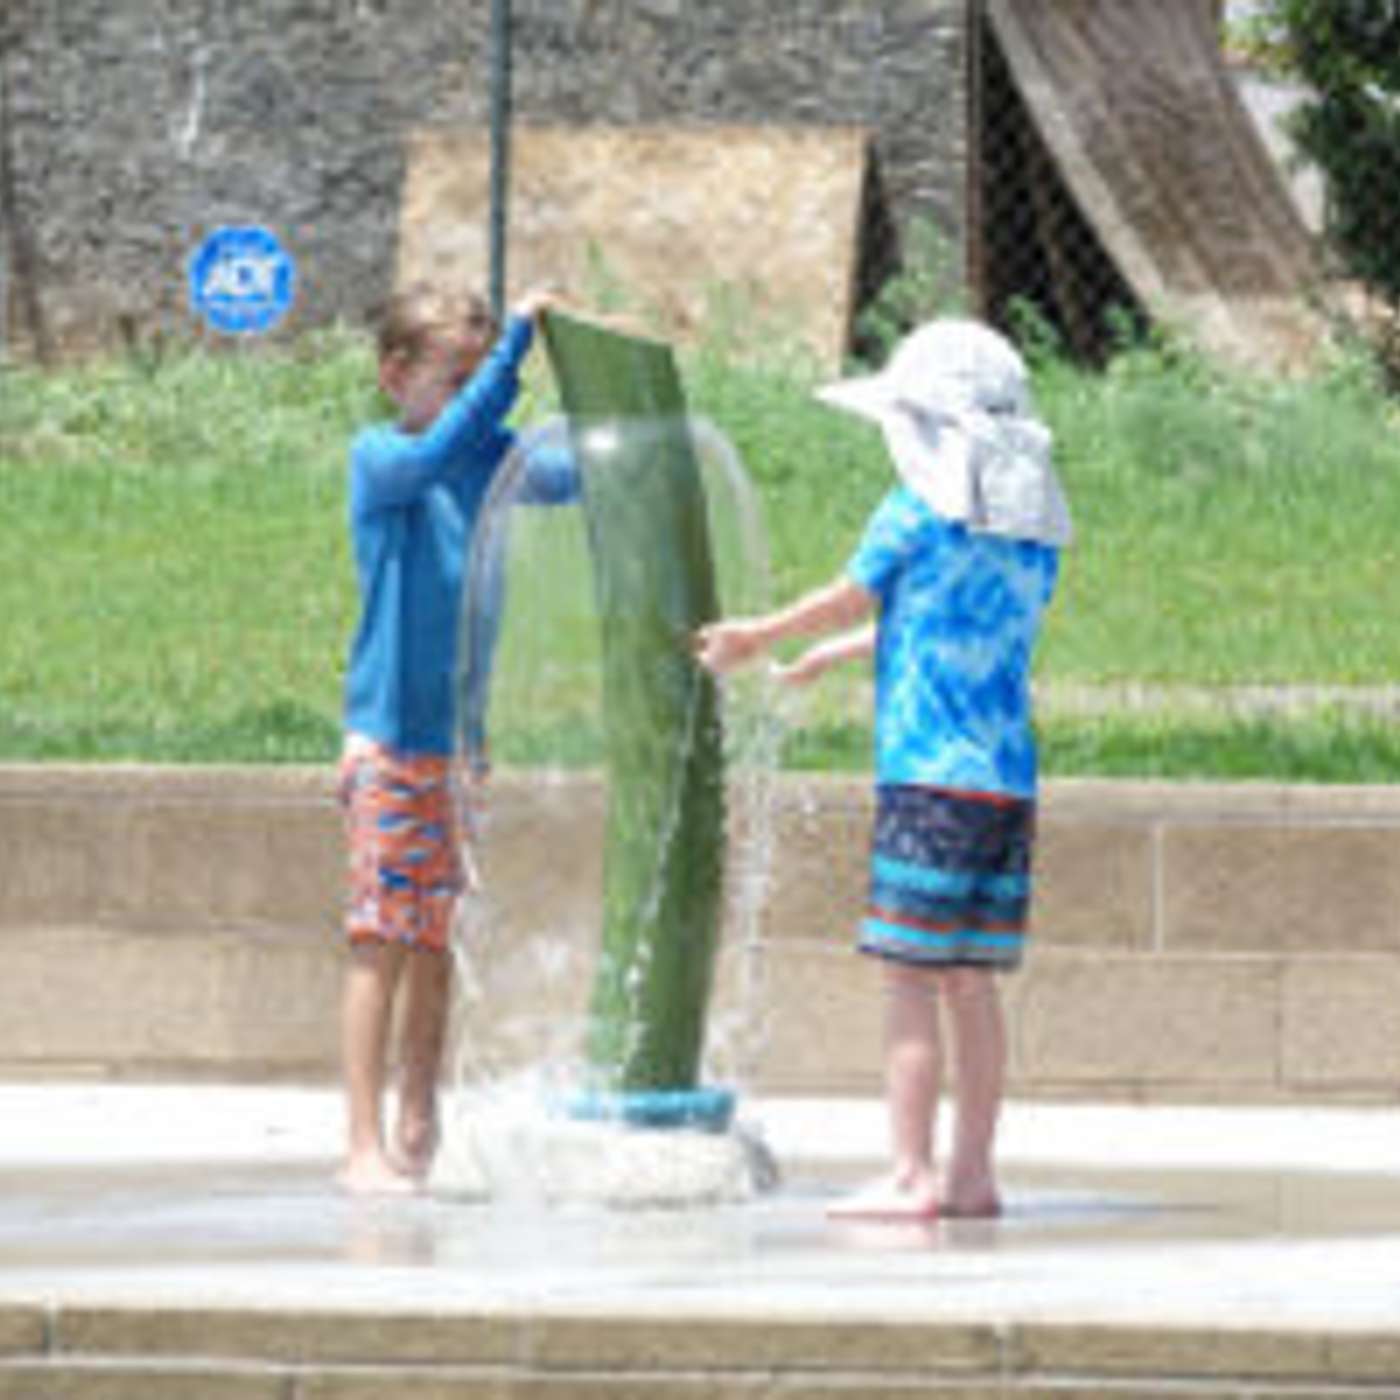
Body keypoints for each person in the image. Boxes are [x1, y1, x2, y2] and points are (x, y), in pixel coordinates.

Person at [696, 319, 1070, 1220]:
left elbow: (855, 591)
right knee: (970, 983)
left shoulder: (910, 512)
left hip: (926, 784)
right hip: (1003, 788)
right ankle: (974, 1175)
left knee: (908, 978)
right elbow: (947, 622)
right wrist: (838, 657)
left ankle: (910, 1174)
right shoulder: (1029, 532)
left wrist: (761, 635)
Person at [337, 281, 564, 1194]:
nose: (479, 395)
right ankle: (360, 1143)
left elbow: (577, 475)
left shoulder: (488, 460)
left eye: (482, 377)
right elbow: (439, 447)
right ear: (396, 376)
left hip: (458, 754)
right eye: (458, 376)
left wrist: (601, 383)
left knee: (434, 948)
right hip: (388, 745)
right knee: (379, 945)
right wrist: (513, 354)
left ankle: (418, 1127)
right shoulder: (385, 459)